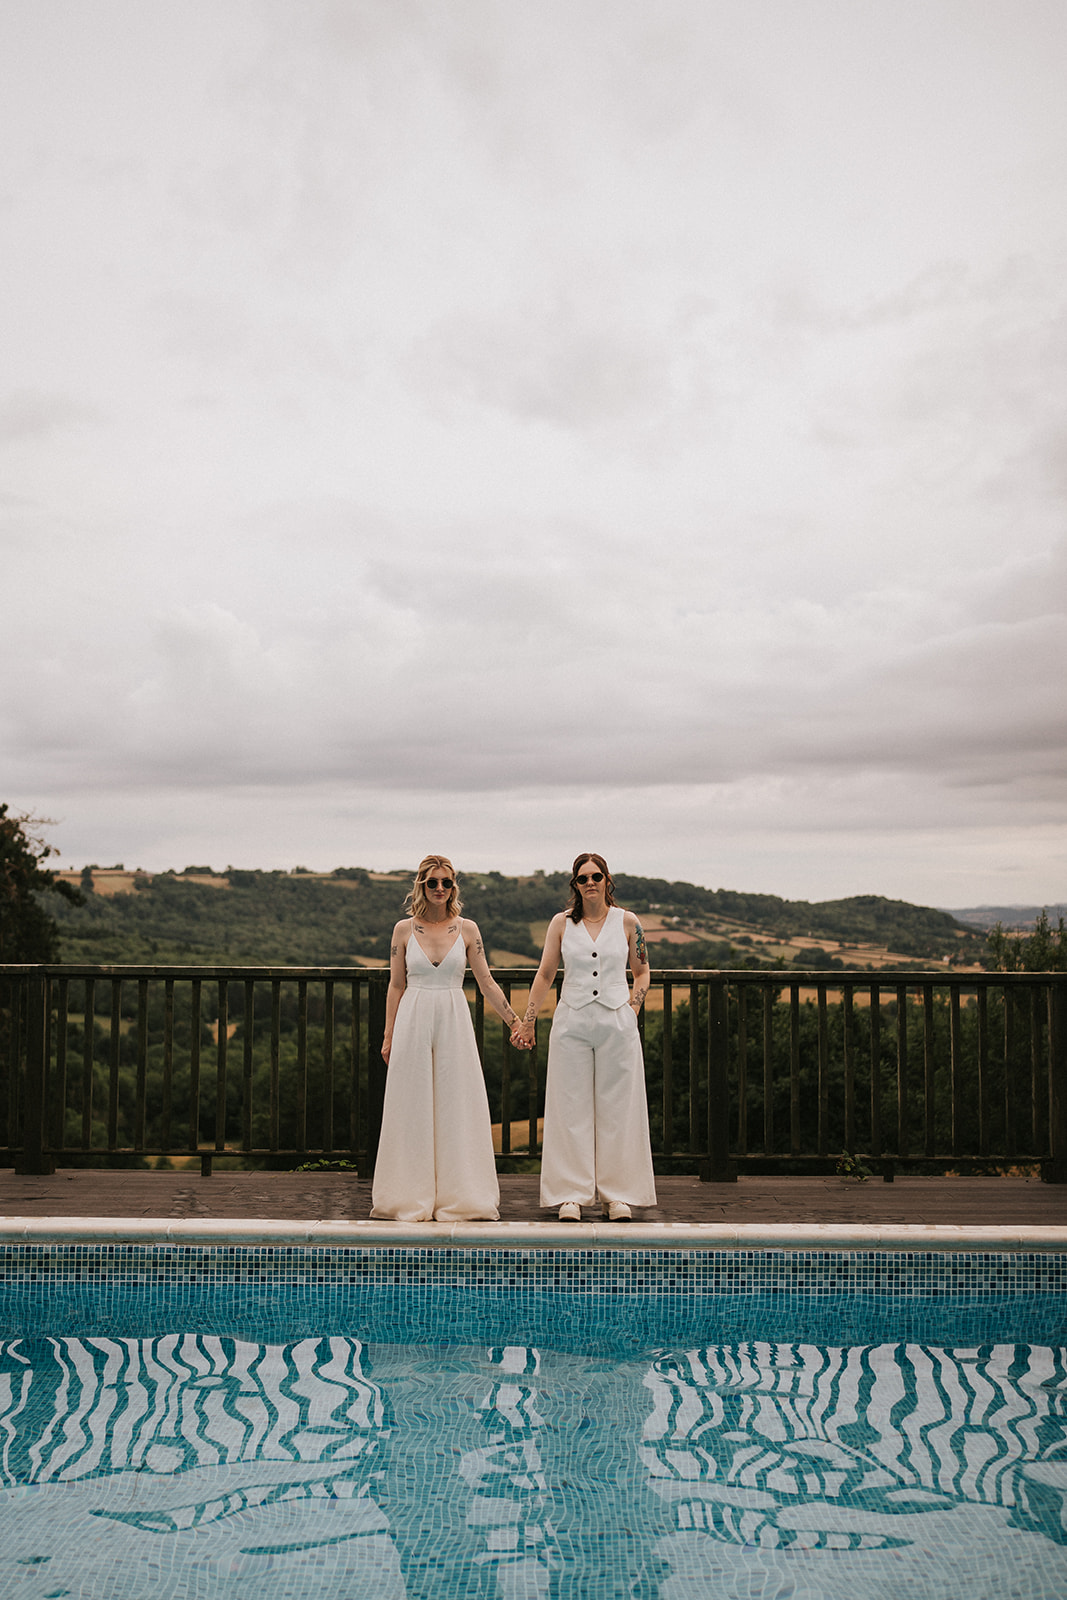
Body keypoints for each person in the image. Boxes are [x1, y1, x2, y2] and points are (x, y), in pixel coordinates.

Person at [371, 855, 522, 1222]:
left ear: (454, 887)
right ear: (421, 886)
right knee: (412, 1105)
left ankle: (461, 1195)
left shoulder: (468, 930)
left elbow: (486, 982)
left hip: (454, 1019)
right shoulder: (403, 931)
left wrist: (515, 1020)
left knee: (457, 1102)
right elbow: (396, 985)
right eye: (433, 882)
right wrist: (389, 1034)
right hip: (414, 1018)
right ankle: (408, 1195)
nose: (440, 889)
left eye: (447, 883)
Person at [511, 852, 656, 1221]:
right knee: (568, 1108)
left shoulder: (628, 922)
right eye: (582, 878)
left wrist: (631, 1010)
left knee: (619, 1109)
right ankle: (569, 1196)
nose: (590, 883)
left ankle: (617, 1195)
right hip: (571, 1024)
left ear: (608, 880)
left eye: (596, 876)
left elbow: (642, 971)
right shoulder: (561, 924)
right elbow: (545, 975)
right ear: (574, 885)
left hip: (616, 1024)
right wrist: (528, 1021)